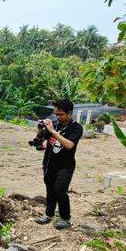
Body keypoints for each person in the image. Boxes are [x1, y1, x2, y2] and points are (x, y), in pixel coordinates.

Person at [34, 98, 83, 229]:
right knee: (50, 189)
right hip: (50, 163)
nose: (58, 117)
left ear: (69, 113)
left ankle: (65, 218)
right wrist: (40, 129)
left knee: (60, 190)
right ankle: (48, 215)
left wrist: (53, 132)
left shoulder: (76, 128)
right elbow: (40, 137)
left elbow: (69, 145)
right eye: (56, 114)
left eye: (60, 114)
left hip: (65, 166)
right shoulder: (53, 124)